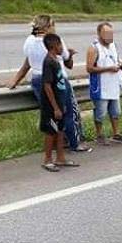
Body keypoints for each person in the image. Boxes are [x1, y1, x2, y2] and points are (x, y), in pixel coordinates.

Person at [8, 15, 91, 153]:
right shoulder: (54, 41)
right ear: (48, 27)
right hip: (57, 80)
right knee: (70, 112)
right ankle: (74, 142)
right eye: (53, 25)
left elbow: (28, 62)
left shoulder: (29, 41)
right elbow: (67, 61)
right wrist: (69, 54)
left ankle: (56, 145)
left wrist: (16, 80)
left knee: (50, 113)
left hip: (37, 80)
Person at [39, 34, 80, 172]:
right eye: (60, 45)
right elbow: (47, 86)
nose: (62, 47)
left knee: (60, 129)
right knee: (51, 131)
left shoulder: (57, 60)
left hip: (61, 101)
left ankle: (60, 158)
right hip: (52, 104)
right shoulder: (48, 62)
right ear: (54, 46)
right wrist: (55, 107)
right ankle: (47, 159)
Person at [86, 22, 122, 146]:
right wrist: (108, 69)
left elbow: (116, 60)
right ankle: (99, 135)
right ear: (99, 34)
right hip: (101, 86)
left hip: (113, 85)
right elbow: (89, 68)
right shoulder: (94, 48)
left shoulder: (113, 46)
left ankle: (117, 134)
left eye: (111, 33)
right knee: (100, 113)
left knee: (116, 111)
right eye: (107, 33)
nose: (110, 36)